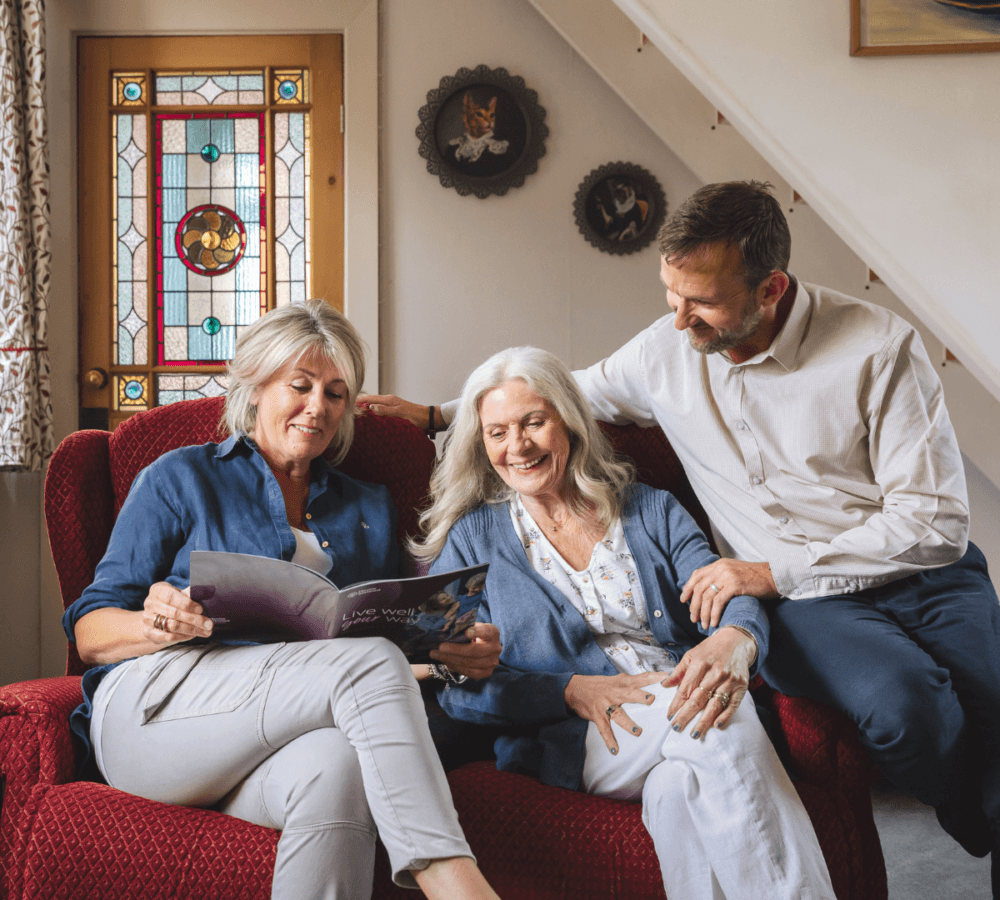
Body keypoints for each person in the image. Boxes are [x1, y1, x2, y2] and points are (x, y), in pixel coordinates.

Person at [361, 181, 1000, 897]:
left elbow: (932, 523)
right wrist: (438, 414)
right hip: (784, 619)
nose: (677, 317)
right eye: (669, 293)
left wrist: (745, 612)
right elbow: (559, 392)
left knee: (989, 707)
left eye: (699, 300)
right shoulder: (661, 355)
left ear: (770, 289)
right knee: (865, 711)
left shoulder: (876, 348)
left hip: (921, 570)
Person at [63, 299, 505, 900]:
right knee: (367, 662)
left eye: (335, 393)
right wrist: (158, 624)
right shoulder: (180, 477)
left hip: (284, 737)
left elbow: (375, 654)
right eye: (299, 386)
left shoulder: (368, 505)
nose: (317, 408)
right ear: (254, 383)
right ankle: (454, 881)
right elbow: (90, 632)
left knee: (339, 768)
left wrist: (448, 654)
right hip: (157, 717)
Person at [407, 345, 835, 900]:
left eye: (534, 422)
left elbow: (725, 586)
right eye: (497, 432)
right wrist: (567, 690)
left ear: (568, 421)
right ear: (481, 442)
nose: (518, 446)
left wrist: (736, 636)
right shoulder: (470, 539)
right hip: (580, 734)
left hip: (672, 692)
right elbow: (446, 681)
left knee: (679, 792)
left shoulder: (650, 508)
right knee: (717, 722)